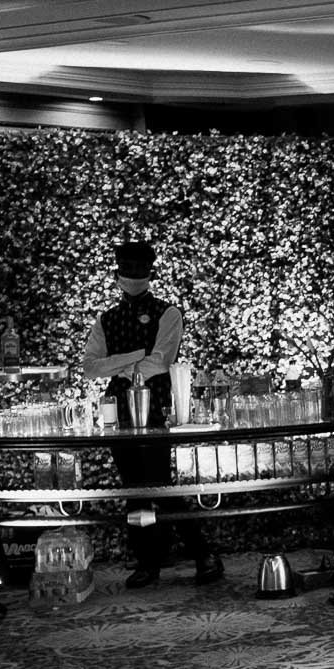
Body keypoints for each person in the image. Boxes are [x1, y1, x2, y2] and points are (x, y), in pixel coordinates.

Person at [82, 240, 222, 588]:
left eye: (137, 270)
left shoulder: (168, 313)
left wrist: (117, 364)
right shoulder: (106, 319)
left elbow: (161, 361)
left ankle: (200, 552)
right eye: (127, 270)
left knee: (161, 484)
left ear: (149, 274)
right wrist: (134, 357)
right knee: (134, 488)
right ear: (118, 275)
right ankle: (147, 560)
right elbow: (89, 368)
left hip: (156, 407)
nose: (132, 277)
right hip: (118, 411)